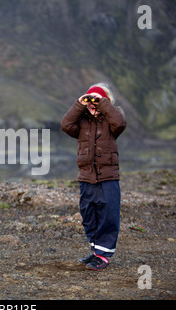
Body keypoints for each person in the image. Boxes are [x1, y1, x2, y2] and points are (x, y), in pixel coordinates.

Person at [60, 83, 127, 270]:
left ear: (106, 102)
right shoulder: (81, 122)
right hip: (86, 176)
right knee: (89, 214)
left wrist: (103, 103)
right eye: (90, 99)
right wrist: (79, 104)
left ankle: (103, 255)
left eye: (96, 100)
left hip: (107, 176)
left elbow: (120, 123)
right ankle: (97, 250)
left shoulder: (112, 122)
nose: (92, 103)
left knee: (107, 215)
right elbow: (65, 124)